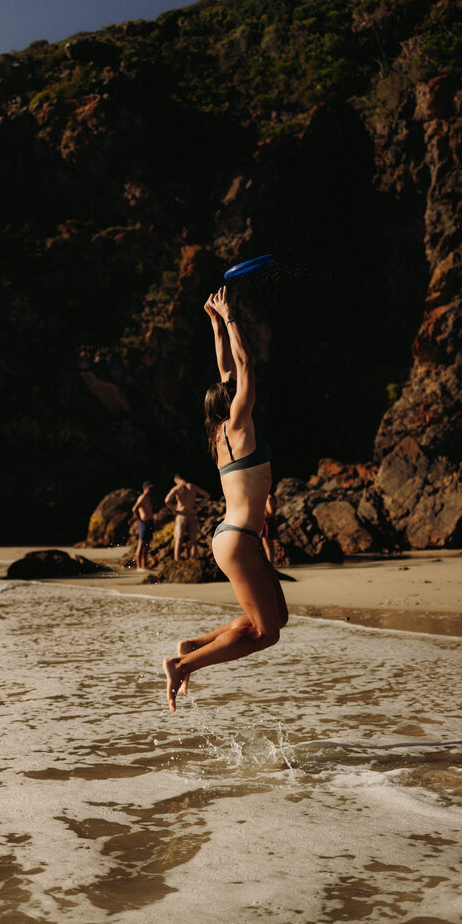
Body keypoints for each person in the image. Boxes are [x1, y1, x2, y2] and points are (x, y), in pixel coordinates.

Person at [162, 285, 288, 711]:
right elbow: (246, 363)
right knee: (265, 633)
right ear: (231, 402)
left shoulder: (219, 434)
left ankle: (193, 645)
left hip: (232, 536)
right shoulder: (238, 424)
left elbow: (228, 368)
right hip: (238, 539)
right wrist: (232, 315)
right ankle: (182, 665)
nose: (236, 384)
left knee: (276, 618)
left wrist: (215, 324)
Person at [164, 474, 211, 560]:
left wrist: (174, 510)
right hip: (192, 515)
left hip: (181, 515)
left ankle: (177, 560)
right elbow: (207, 496)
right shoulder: (193, 487)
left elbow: (167, 500)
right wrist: (198, 507)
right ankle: (193, 559)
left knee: (178, 539)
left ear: (176, 479)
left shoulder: (177, 488)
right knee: (193, 539)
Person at [132, 481, 154, 570]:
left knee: (147, 544)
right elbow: (134, 509)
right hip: (143, 523)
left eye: (151, 488)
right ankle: (138, 566)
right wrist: (140, 519)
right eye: (149, 488)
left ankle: (144, 565)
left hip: (149, 522)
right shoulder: (142, 497)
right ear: (144, 488)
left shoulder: (148, 498)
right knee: (141, 544)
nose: (151, 490)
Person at [261, 491, 278, 564]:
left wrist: (260, 517)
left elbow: (270, 513)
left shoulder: (268, 498)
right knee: (270, 544)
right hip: (270, 522)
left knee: (267, 544)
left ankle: (270, 562)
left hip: (267, 523)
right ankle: (271, 562)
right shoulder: (272, 498)